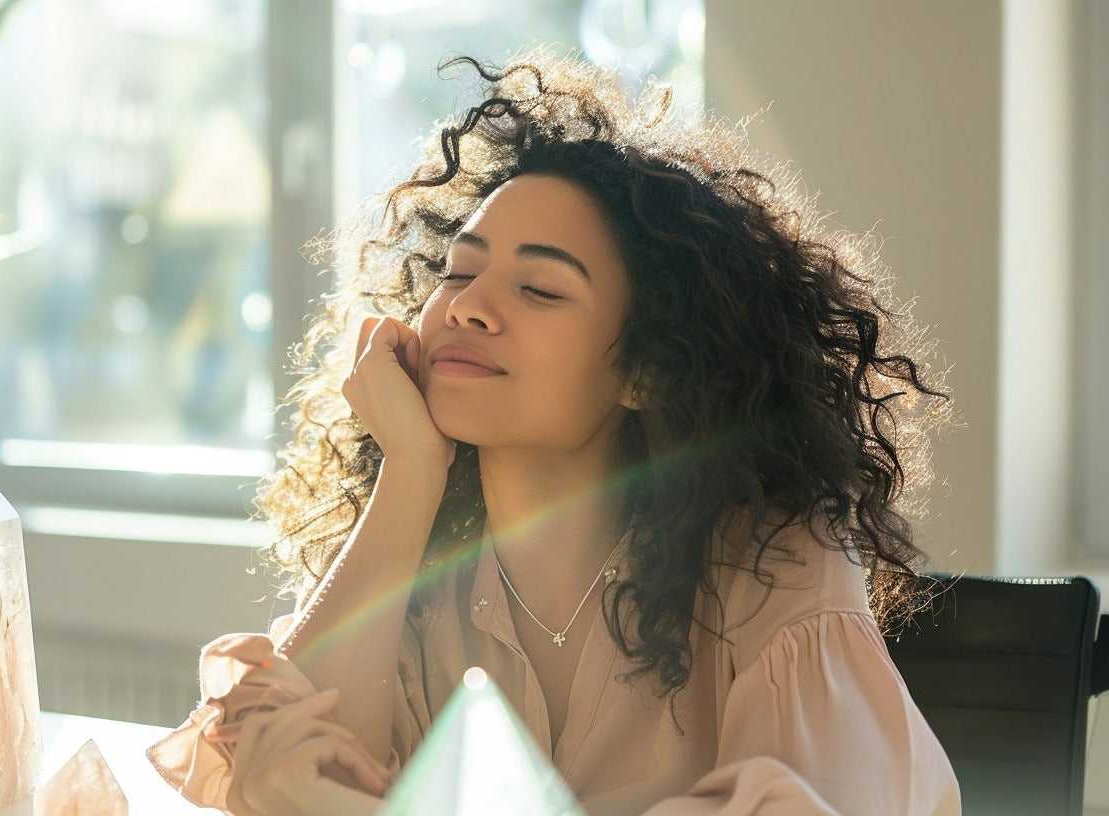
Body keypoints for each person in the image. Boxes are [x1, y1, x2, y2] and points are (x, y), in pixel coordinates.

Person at [147, 49, 961, 816]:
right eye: (459, 274)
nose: (465, 306)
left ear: (648, 369)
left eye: (539, 289)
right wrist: (411, 468)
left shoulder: (772, 558)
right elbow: (281, 779)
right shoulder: (422, 571)